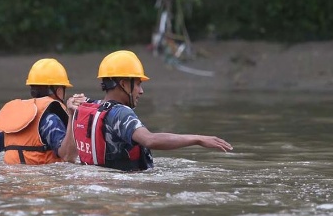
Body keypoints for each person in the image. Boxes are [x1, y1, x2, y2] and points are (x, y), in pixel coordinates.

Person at [59, 50, 233, 171]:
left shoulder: (90, 107)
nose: (141, 91)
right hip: (122, 189)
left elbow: (68, 156)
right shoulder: (121, 113)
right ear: (124, 84)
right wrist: (198, 139)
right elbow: (150, 140)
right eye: (138, 84)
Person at [0, 58, 72, 164]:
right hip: (43, 180)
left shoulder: (13, 121)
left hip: (10, 181)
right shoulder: (51, 121)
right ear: (59, 91)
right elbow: (68, 155)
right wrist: (72, 116)